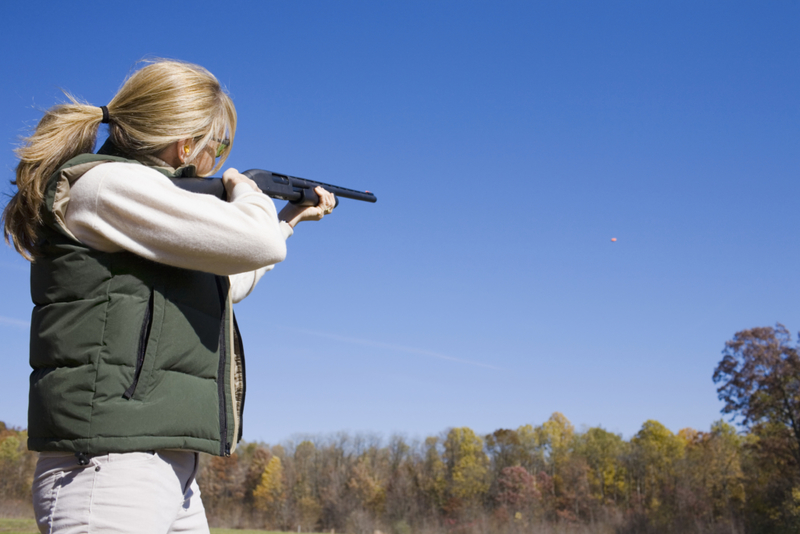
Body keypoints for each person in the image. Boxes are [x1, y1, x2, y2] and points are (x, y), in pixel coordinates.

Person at [1, 59, 335, 534]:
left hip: (166, 469)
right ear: (183, 143)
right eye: (218, 144)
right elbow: (256, 242)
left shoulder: (144, 205)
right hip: (108, 466)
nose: (219, 158)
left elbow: (228, 282)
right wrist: (248, 190)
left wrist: (287, 222)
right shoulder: (107, 185)